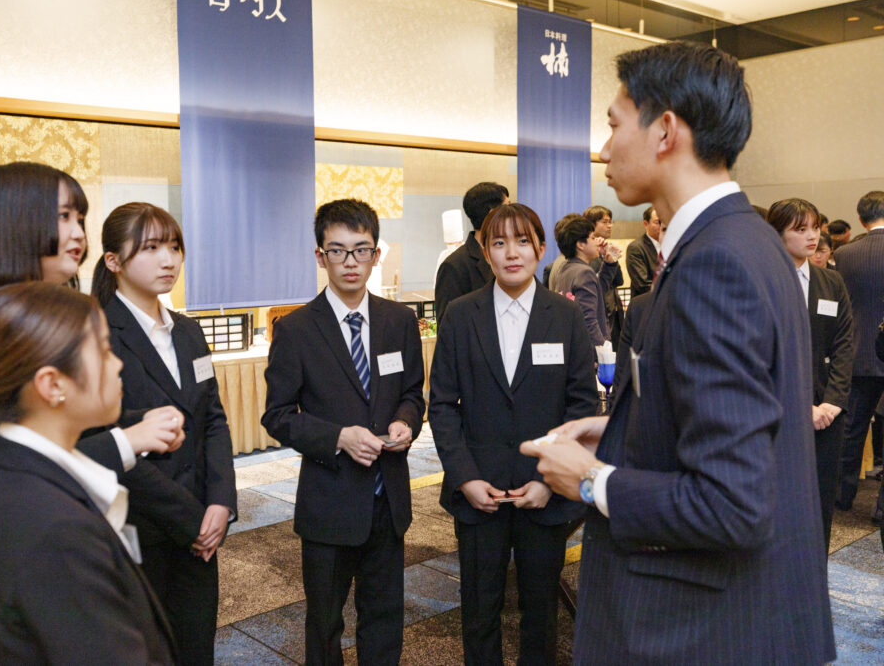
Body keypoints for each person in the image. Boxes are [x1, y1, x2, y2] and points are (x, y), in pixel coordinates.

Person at [521, 41, 834, 663]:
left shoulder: (716, 263)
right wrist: (623, 427)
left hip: (700, 629)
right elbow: (750, 423)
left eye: (613, 125)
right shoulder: (746, 241)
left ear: (665, 129)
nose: (605, 149)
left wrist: (590, 482)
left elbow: (733, 504)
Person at [0, 162, 189, 664]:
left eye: (80, 216)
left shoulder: (58, 316)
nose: (78, 232)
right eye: (64, 216)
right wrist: (127, 440)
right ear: (13, 223)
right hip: (9, 592)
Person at [429, 202, 596, 665]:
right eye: (498, 242)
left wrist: (550, 480)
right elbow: (442, 404)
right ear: (485, 251)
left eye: (522, 241)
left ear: (541, 249)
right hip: (478, 488)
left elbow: (582, 404)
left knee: (540, 610)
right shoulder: (461, 315)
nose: (511, 253)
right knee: (479, 609)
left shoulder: (563, 317)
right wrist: (464, 477)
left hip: (543, 493)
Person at [262, 198, 425, 665]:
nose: (351, 262)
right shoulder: (295, 330)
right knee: (325, 625)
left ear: (377, 254)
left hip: (388, 499)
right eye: (338, 251)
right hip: (329, 501)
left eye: (361, 250)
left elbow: (413, 392)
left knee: (385, 619)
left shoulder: (399, 321)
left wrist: (406, 421)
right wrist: (338, 437)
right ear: (320, 256)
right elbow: (277, 415)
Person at [93, 202, 237, 665]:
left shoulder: (189, 332)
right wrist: (189, 519)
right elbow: (105, 439)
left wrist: (220, 501)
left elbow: (211, 419)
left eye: (174, 246)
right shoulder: (95, 335)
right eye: (151, 248)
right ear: (113, 261)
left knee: (197, 647)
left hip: (201, 526)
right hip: (139, 529)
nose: (169, 259)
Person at [767, 198, 853, 553]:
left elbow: (846, 343)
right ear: (776, 233)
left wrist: (831, 403)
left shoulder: (830, 281)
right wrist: (799, 406)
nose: (812, 236)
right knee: (776, 501)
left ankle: (813, 575)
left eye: (815, 227)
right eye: (800, 229)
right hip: (775, 412)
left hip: (825, 417)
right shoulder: (760, 281)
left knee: (819, 501)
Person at [833, 191, 884, 514]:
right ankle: (881, 509)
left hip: (857, 352)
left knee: (851, 431)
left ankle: (842, 496)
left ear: (861, 220)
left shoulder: (845, 254)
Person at [435, 182, 508, 322]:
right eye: (507, 208)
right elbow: (448, 326)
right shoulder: (454, 266)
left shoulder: (509, 257)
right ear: (492, 214)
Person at [552, 214, 619, 346]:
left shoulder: (566, 269)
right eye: (593, 238)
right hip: (589, 352)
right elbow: (588, 321)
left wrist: (609, 263)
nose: (597, 241)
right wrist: (601, 353)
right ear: (580, 245)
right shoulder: (585, 272)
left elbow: (597, 290)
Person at [583, 205, 625, 350]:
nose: (609, 225)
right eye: (605, 222)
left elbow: (620, 280)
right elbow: (596, 286)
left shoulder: (606, 247)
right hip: (599, 315)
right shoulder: (587, 253)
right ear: (591, 223)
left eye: (610, 221)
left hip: (614, 312)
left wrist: (610, 256)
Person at [624, 206, 662, 297]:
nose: (661, 226)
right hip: (646, 304)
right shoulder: (636, 247)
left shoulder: (671, 245)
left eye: (663, 222)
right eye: (657, 222)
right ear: (646, 224)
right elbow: (642, 284)